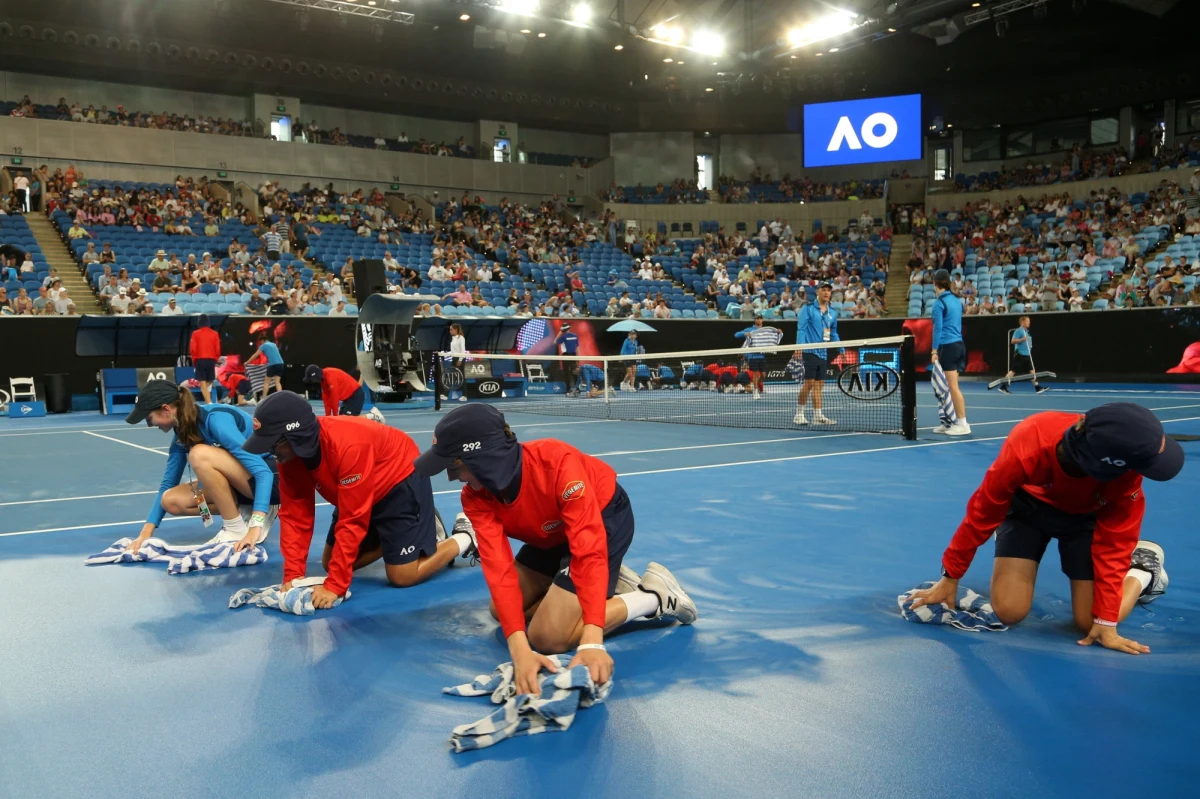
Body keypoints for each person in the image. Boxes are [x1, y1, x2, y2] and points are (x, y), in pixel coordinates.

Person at [414, 404, 697, 694]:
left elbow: (588, 550)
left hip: (601, 519)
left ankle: (653, 597)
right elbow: (499, 570)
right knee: (502, 612)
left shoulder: (558, 463)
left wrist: (591, 641)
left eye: (454, 466)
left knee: (549, 638)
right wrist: (519, 651)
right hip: (550, 534)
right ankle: (586, 591)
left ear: (483, 458)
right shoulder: (475, 497)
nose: (451, 477)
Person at [908, 404, 1183, 655]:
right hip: (1026, 509)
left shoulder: (1126, 474)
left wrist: (1107, 621)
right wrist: (951, 576)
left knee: (1091, 621)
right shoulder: (1030, 442)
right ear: (1103, 465)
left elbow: (1115, 545)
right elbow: (983, 511)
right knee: (1009, 611)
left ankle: (1143, 570)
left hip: (1086, 518)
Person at [242, 392, 476, 604]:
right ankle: (412, 533)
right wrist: (292, 576)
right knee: (330, 562)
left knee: (402, 576)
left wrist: (335, 586)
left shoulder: (348, 446)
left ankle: (465, 536)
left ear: (295, 437)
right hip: (357, 488)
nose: (271, 453)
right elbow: (295, 516)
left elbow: (353, 520)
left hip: (398, 479)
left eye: (273, 445)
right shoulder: (290, 456)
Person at [123, 380, 279, 555]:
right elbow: (167, 484)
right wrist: (145, 534)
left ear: (166, 409)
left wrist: (256, 524)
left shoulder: (216, 419)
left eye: (149, 419)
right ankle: (241, 515)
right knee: (170, 500)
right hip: (246, 484)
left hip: (273, 482)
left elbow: (263, 472)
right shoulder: (182, 436)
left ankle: (238, 527)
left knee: (199, 454)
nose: (150, 425)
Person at [930, 269, 970, 436]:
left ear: (935, 283)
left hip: (947, 347)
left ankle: (962, 424)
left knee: (952, 388)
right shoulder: (956, 300)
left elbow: (937, 329)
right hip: (959, 345)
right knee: (946, 387)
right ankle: (948, 422)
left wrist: (934, 350)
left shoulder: (939, 303)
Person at [793, 283, 838, 425]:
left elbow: (834, 333)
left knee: (819, 385)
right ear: (818, 292)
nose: (826, 292)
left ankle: (818, 416)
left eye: (828, 290)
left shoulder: (833, 313)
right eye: (823, 290)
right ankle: (799, 414)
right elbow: (801, 329)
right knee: (809, 383)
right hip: (809, 350)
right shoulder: (807, 309)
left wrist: (840, 348)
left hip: (823, 353)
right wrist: (799, 347)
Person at [303, 363, 385, 422]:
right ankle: (373, 420)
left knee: (347, 420)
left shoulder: (330, 377)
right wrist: (327, 417)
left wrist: (335, 418)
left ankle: (373, 415)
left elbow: (334, 398)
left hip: (356, 394)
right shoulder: (322, 380)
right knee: (342, 419)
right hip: (348, 398)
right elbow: (326, 399)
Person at [1000, 315, 1047, 394]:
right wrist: (1022, 339)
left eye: (1029, 321)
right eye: (1027, 321)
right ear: (1022, 322)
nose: (1029, 322)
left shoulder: (1026, 332)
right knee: (1013, 371)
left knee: (1032, 371)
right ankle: (1003, 386)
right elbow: (1013, 341)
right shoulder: (1019, 331)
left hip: (1027, 355)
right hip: (1020, 354)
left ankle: (1037, 387)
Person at [741, 314, 783, 397]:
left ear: (762, 320)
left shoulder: (766, 331)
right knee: (756, 374)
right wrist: (744, 334)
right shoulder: (750, 329)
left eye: (760, 318)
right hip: (753, 357)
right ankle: (756, 391)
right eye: (757, 318)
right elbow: (736, 334)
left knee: (763, 375)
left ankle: (754, 386)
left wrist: (779, 333)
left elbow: (774, 336)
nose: (759, 320)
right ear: (755, 320)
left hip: (762, 357)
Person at [189, 315, 221, 404]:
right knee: (209, 380)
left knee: (202, 383)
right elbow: (217, 349)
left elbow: (193, 349)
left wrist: (194, 361)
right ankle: (209, 402)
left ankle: (209, 402)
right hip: (211, 360)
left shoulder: (195, 333)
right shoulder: (215, 333)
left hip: (200, 360)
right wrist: (216, 358)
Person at [251, 331, 285, 398]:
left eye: (260, 342)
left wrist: (247, 362)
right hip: (281, 364)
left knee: (267, 382)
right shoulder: (274, 344)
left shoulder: (264, 345)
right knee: (277, 382)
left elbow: (255, 355)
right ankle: (281, 398)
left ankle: (263, 398)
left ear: (263, 340)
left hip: (272, 365)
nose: (260, 343)